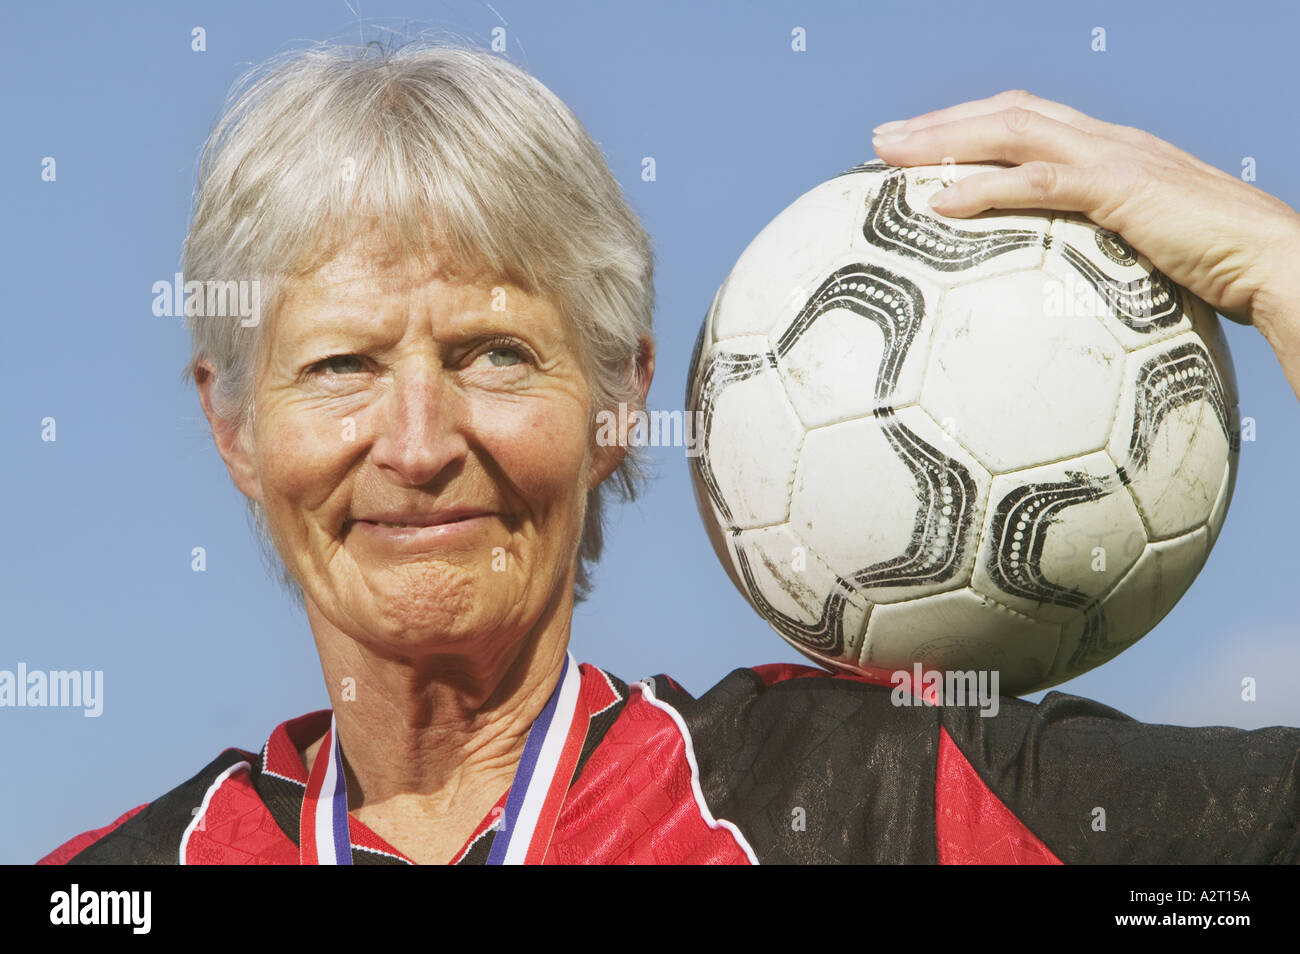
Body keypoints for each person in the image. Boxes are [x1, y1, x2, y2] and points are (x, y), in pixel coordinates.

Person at [38, 46, 1300, 865]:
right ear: (233, 429)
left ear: (619, 399)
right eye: (341, 367)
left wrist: (1279, 267)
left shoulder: (889, 802)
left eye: (493, 354)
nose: (418, 446)